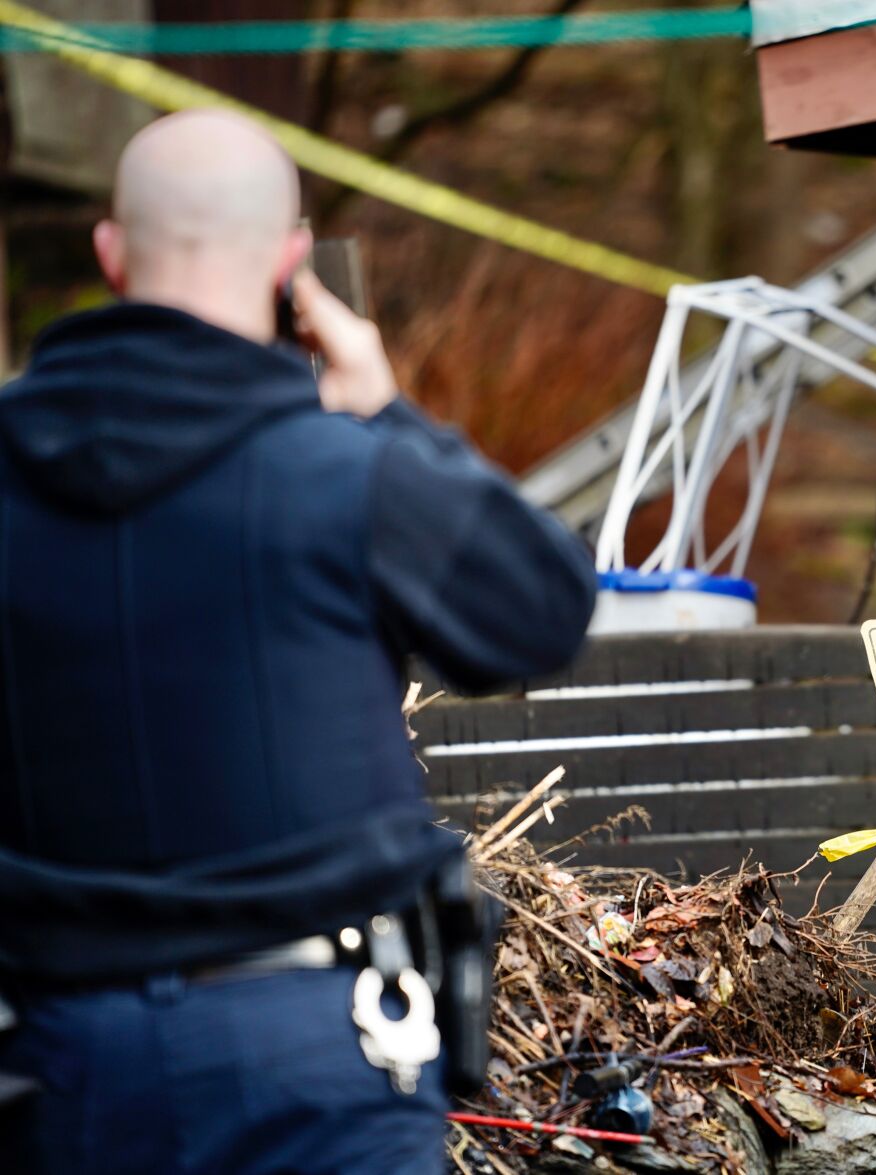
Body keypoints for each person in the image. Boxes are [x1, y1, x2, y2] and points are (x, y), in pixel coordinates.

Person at [0, 109, 596, 1174]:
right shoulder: (345, 472)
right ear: (291, 260)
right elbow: (541, 610)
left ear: (110, 252)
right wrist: (385, 410)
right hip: (317, 1055)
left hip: (56, 1061)